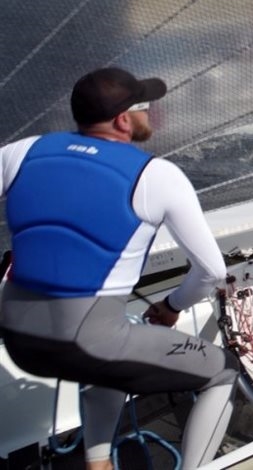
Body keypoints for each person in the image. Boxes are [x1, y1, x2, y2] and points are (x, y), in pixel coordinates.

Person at [0, 67, 238, 470]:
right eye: (145, 107)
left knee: (114, 352)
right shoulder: (157, 175)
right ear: (124, 120)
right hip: (89, 343)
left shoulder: (19, 152)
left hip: (18, 338)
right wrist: (172, 306)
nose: (151, 114)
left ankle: (98, 463)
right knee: (224, 371)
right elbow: (212, 273)